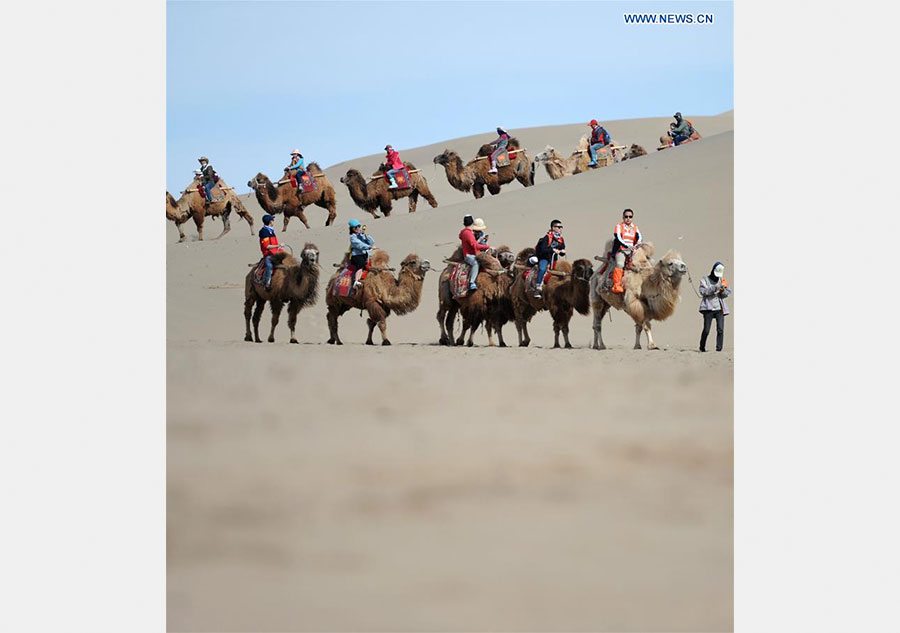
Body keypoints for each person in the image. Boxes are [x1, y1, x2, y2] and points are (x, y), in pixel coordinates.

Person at [698, 262, 731, 352]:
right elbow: (703, 292)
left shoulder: (722, 280)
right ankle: (702, 347)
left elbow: (727, 293)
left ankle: (719, 349)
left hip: (719, 309)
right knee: (706, 330)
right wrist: (715, 288)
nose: (717, 277)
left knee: (720, 329)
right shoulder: (704, 280)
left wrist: (723, 290)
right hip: (708, 308)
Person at [611, 208, 642, 293]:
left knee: (645, 262)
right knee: (619, 264)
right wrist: (627, 246)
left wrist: (638, 244)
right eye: (626, 216)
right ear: (623, 217)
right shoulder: (619, 226)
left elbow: (640, 237)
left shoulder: (635, 228)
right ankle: (617, 285)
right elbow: (618, 238)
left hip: (633, 251)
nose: (628, 218)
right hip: (622, 250)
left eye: (630, 217)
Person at [533, 219, 566, 298]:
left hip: (554, 260)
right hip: (545, 259)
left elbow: (562, 250)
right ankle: (538, 288)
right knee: (542, 269)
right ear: (553, 227)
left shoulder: (560, 239)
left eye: (561, 227)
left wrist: (562, 251)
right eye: (559, 227)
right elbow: (543, 249)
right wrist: (552, 250)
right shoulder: (547, 238)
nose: (560, 229)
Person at [459, 215, 491, 291]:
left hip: (475, 252)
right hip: (469, 255)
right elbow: (475, 246)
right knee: (475, 263)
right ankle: (471, 282)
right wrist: (487, 247)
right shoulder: (468, 233)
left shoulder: (468, 232)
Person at [258, 214, 284, 291]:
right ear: (270, 222)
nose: (273, 221)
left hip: (277, 252)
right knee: (269, 266)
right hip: (268, 254)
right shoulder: (264, 232)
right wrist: (278, 245)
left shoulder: (270, 230)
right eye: (272, 220)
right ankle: (266, 282)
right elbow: (267, 246)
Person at [348, 219, 374, 289]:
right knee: (361, 265)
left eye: (358, 226)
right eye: (355, 227)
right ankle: (356, 281)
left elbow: (371, 242)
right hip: (357, 256)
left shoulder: (361, 235)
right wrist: (368, 247)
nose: (357, 228)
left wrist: (366, 236)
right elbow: (359, 245)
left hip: (365, 255)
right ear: (352, 229)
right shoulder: (353, 237)